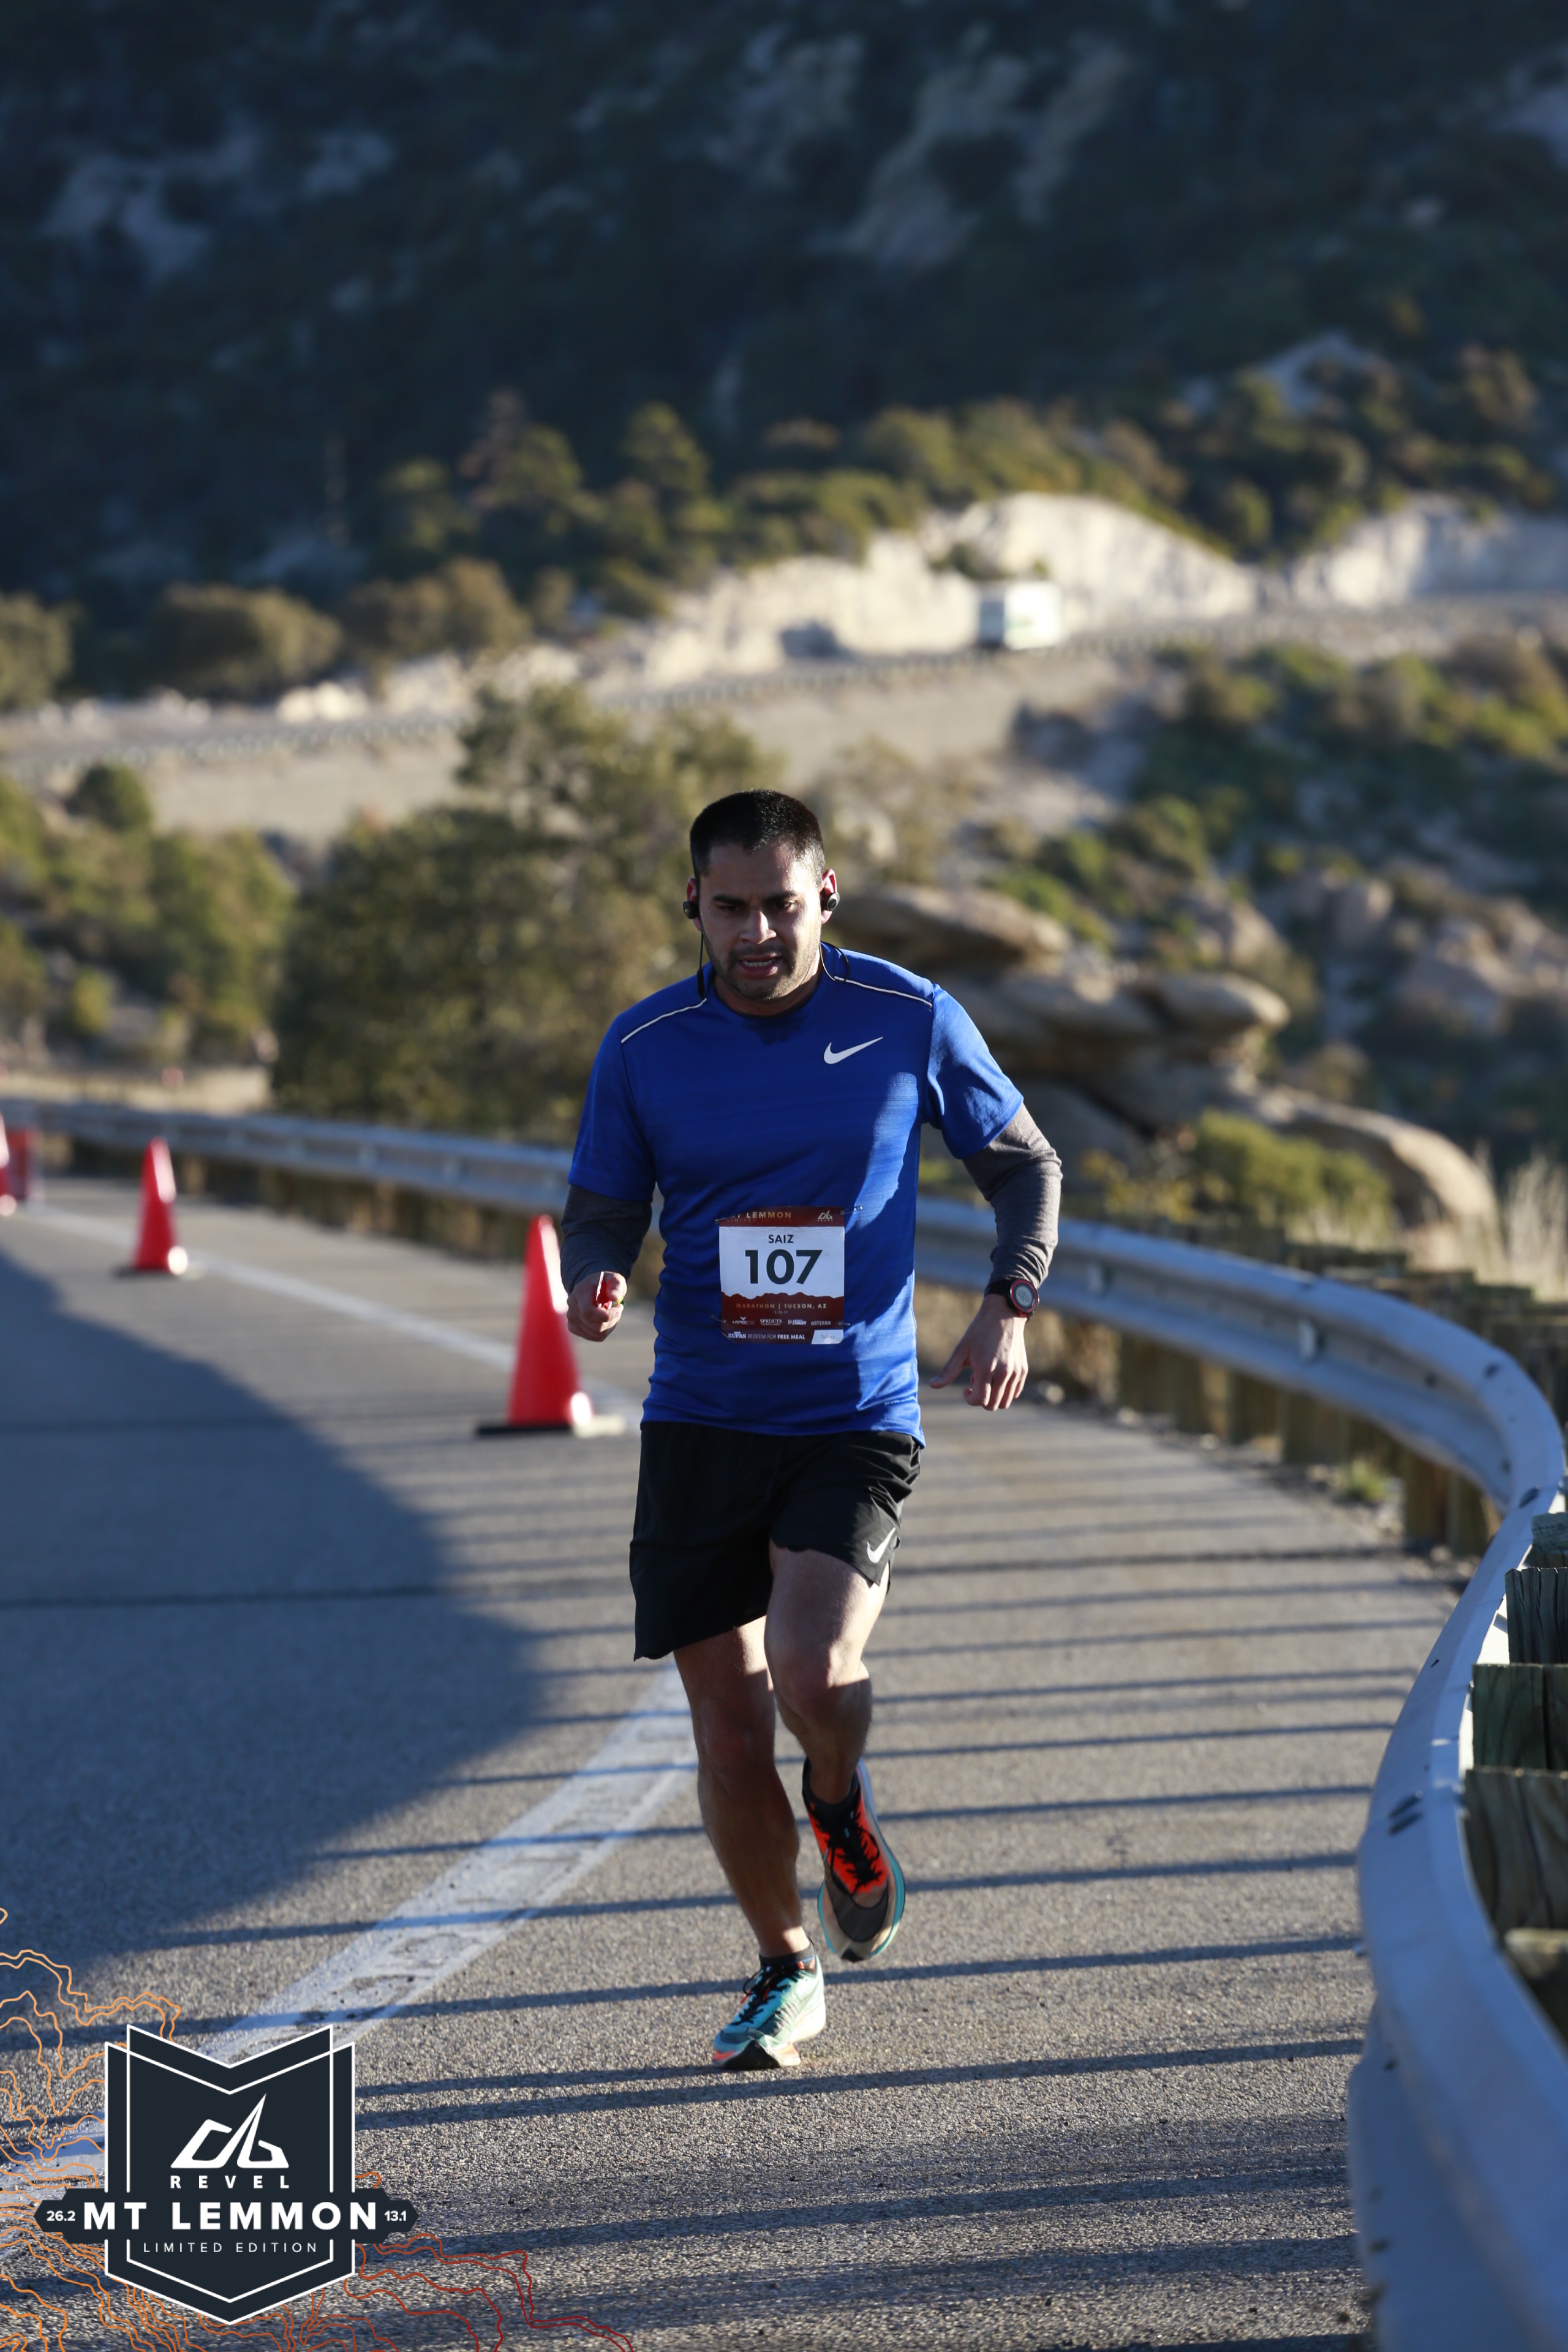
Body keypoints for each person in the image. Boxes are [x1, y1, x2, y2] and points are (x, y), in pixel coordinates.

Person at [560, 789, 1061, 2070]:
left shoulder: (906, 1016)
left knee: (811, 1671)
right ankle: (786, 1967)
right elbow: (603, 1200)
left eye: (781, 906)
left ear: (824, 896)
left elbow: (1024, 1166)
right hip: (701, 1420)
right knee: (728, 1735)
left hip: (852, 1415)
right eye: (730, 908)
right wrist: (597, 1272)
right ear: (693, 904)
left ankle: (837, 1802)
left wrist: (1008, 1305)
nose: (757, 934)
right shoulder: (645, 1045)